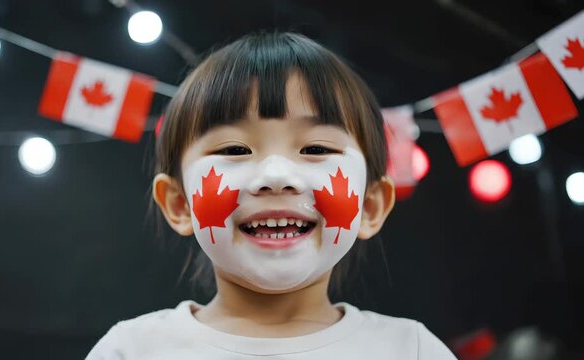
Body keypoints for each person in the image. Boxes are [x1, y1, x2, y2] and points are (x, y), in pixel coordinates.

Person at [86, 31, 457, 359]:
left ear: (369, 206)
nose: (276, 176)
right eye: (234, 150)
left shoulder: (411, 350)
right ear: (179, 204)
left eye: (315, 149)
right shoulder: (131, 350)